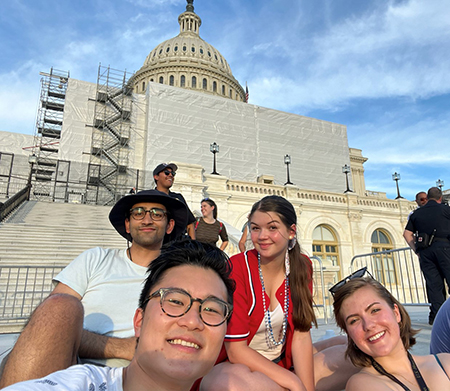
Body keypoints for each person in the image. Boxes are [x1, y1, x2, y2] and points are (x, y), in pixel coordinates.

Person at [0, 189, 188, 388]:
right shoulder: (96, 258)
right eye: (138, 212)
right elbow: (50, 323)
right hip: (70, 364)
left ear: (170, 225)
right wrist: (124, 346)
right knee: (59, 305)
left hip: (138, 373)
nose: (147, 220)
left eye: (157, 214)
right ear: (127, 224)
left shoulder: (179, 277)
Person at [1, 240, 236, 391]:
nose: (192, 320)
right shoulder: (78, 384)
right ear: (139, 321)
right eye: (175, 301)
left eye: (211, 309)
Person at [200, 195, 356, 391]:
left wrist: (305, 388)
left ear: (291, 232)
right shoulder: (237, 267)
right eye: (255, 228)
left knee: (350, 347)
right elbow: (236, 351)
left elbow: (300, 335)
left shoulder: (302, 265)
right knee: (223, 382)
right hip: (240, 367)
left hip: (283, 362)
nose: (262, 236)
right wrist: (293, 383)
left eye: (272, 228)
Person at [332, 272, 450, 390]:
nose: (368, 325)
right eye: (354, 321)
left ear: (396, 313)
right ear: (349, 334)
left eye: (375, 310)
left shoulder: (444, 363)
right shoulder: (362, 384)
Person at [403, 186, 450, 325]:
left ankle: (438, 318)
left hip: (425, 252)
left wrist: (417, 250)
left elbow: (407, 234)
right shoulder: (446, 210)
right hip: (445, 248)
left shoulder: (416, 213)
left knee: (433, 285)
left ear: (428, 198)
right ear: (440, 198)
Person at [153, 162, 196, 239]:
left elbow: (190, 224)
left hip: (178, 244)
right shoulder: (150, 196)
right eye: (166, 173)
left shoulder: (178, 198)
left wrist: (193, 247)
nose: (170, 175)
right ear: (156, 177)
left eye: (173, 173)